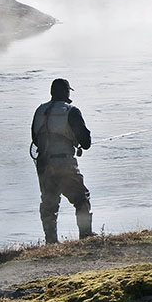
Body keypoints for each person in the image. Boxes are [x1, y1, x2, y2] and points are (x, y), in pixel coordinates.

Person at [31, 78, 93, 243]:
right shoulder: (71, 111)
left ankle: (50, 241)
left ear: (52, 93)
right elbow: (86, 143)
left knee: (49, 204)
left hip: (43, 164)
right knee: (81, 198)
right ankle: (85, 236)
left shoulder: (39, 111)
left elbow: (35, 139)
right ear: (66, 92)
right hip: (64, 163)